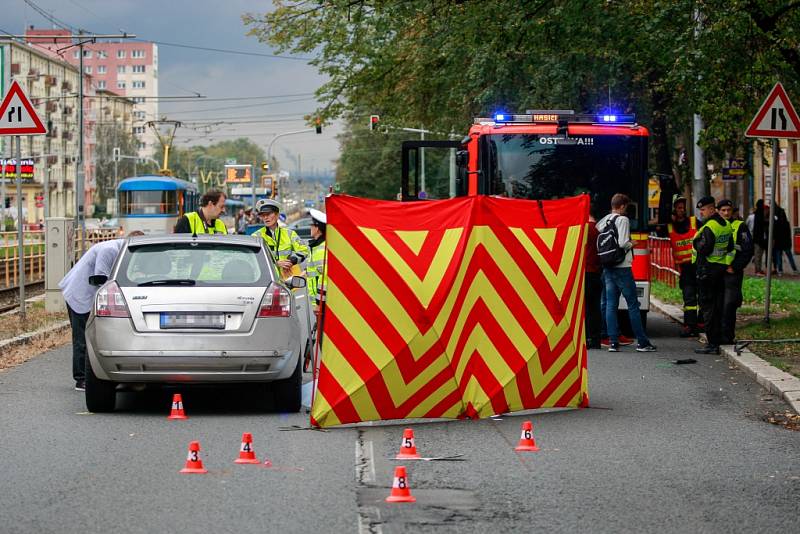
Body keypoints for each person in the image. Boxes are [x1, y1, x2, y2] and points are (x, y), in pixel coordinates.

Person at [59, 231, 144, 390]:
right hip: (79, 293)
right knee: (82, 337)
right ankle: (81, 378)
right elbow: (101, 278)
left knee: (94, 336)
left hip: (88, 293)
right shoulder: (109, 250)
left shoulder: (120, 252)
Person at [596, 193, 657, 352]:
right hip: (622, 267)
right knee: (633, 304)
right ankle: (642, 342)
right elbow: (623, 243)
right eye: (626, 207)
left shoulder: (604, 220)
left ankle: (613, 342)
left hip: (608, 266)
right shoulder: (623, 220)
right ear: (622, 206)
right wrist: (633, 243)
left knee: (611, 304)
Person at [692, 196, 733, 355]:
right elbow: (729, 246)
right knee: (718, 306)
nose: (701, 213)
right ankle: (717, 339)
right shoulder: (726, 224)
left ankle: (712, 343)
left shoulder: (709, 227)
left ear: (711, 209)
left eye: (703, 210)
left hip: (707, 272)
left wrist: (696, 243)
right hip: (720, 271)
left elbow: (704, 249)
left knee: (708, 308)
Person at [718, 199, 753, 344]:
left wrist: (736, 267)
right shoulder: (713, 225)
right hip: (717, 273)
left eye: (728, 210)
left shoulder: (740, 226)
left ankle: (727, 337)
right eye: (723, 210)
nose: (726, 213)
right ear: (718, 211)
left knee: (729, 305)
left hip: (732, 273)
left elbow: (747, 250)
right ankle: (716, 335)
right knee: (716, 305)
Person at [666, 196, 700, 337]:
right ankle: (690, 325)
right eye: (678, 208)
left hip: (699, 266)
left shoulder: (694, 222)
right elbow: (653, 225)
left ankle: (702, 323)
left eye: (683, 207)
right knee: (689, 299)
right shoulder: (669, 226)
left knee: (704, 296)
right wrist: (667, 219)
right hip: (685, 270)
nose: (681, 210)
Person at [254, 198, 310, 278]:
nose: (266, 217)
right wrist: (275, 263)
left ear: (277, 215)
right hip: (266, 280)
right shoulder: (256, 236)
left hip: (287, 281)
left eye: (269, 214)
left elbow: (304, 250)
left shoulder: (290, 234)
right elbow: (254, 260)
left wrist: (290, 261)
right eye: (263, 215)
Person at [584, 214, 602, 349]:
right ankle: (595, 339)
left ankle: (585, 338)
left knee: (584, 308)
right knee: (595, 308)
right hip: (596, 272)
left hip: (584, 272)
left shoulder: (583, 229)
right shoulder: (597, 231)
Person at [772, 205, 798, 275]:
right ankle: (795, 270)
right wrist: (790, 242)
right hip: (786, 242)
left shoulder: (776, 223)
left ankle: (780, 271)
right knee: (790, 256)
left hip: (778, 242)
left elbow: (774, 233)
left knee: (779, 257)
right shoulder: (786, 223)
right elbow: (788, 234)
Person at [751, 199, 768, 275]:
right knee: (758, 255)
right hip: (758, 239)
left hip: (759, 238)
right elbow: (760, 225)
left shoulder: (758, 213)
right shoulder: (759, 213)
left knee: (759, 255)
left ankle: (759, 269)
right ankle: (757, 270)